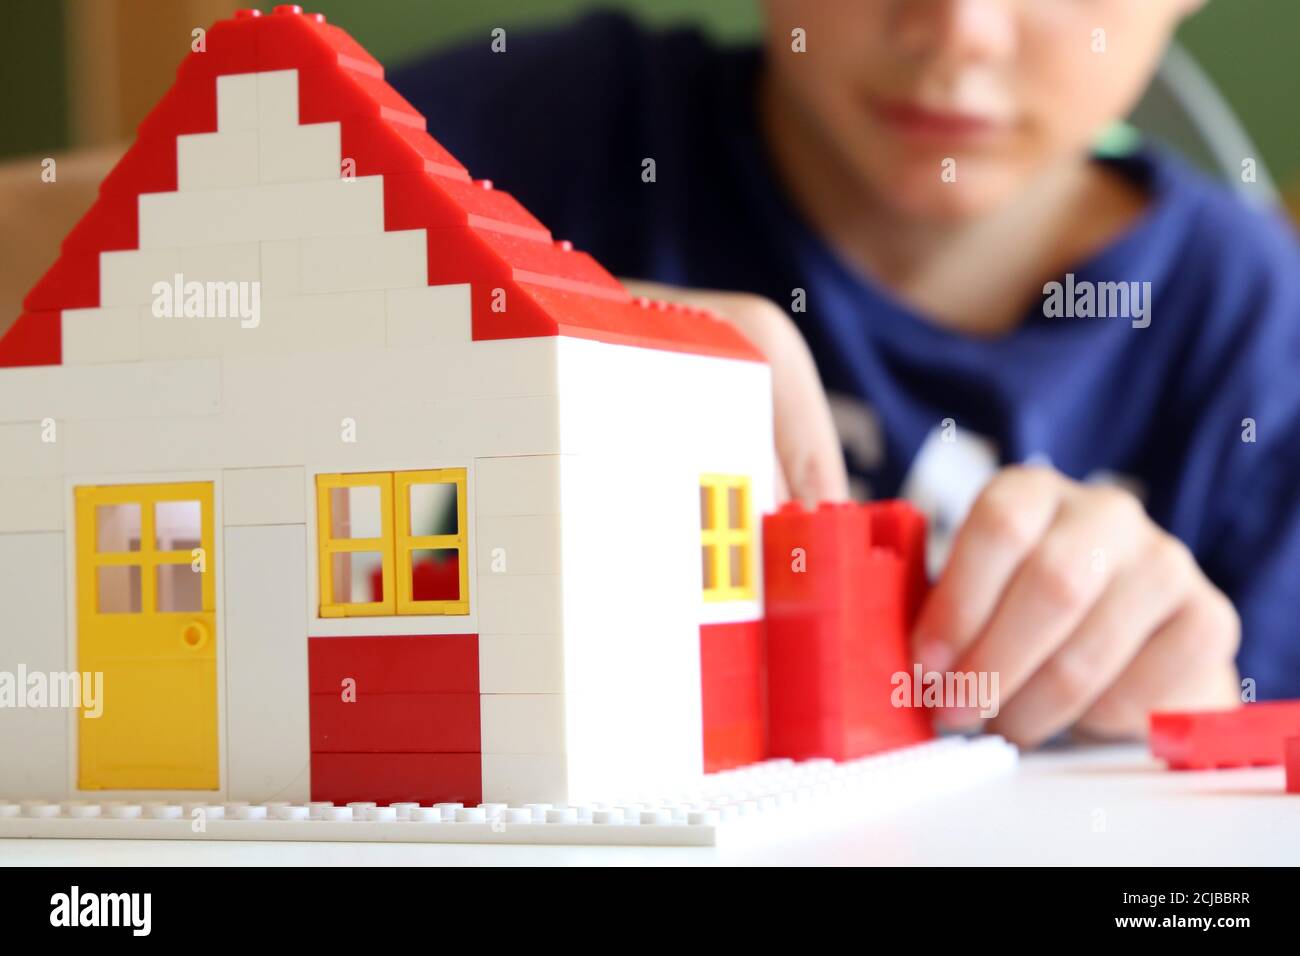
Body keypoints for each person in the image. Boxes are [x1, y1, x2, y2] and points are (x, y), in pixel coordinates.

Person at [388, 0, 1300, 746]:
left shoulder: (1261, 332)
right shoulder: (540, 132)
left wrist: (1193, 728)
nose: (959, 29)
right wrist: (506, 331)